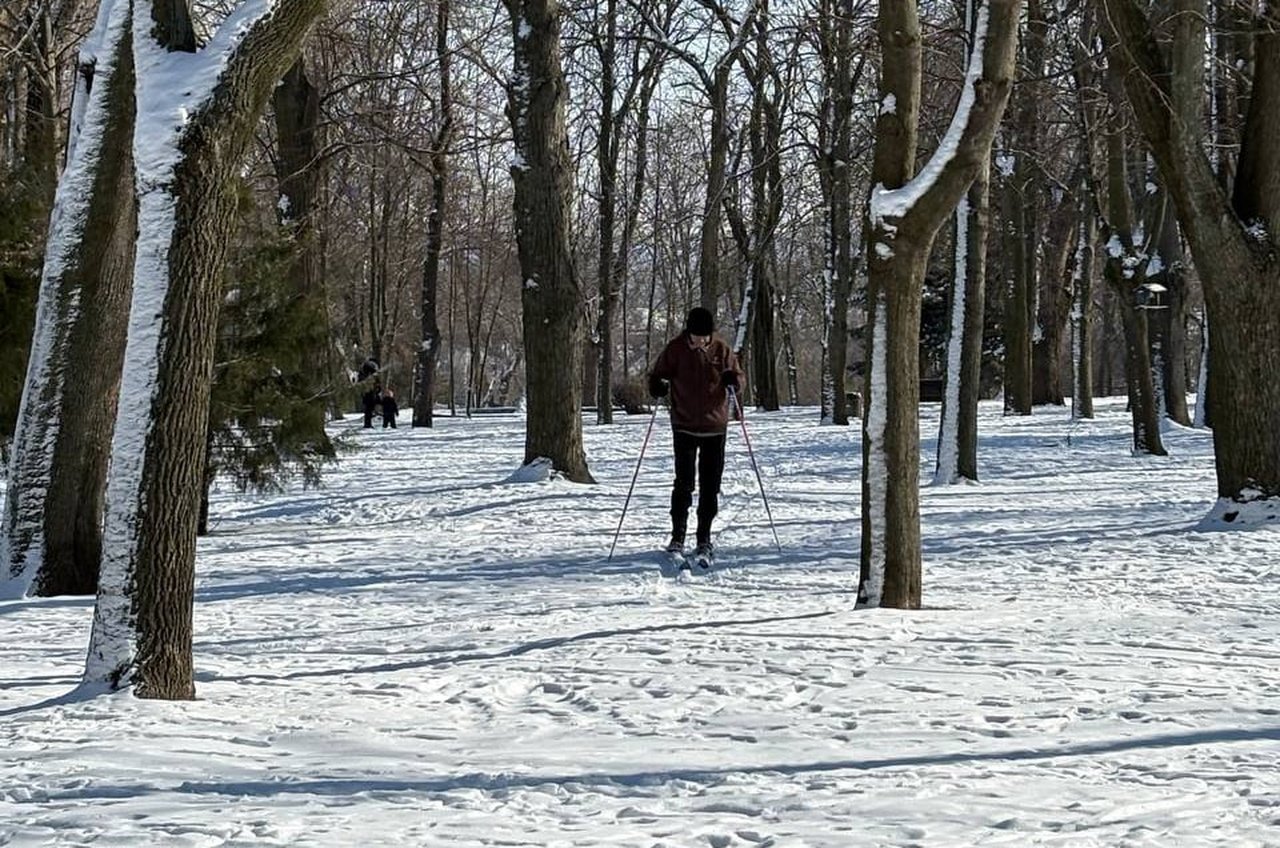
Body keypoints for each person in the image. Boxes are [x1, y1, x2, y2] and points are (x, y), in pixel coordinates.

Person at [648, 306, 745, 563]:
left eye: (705, 337)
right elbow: (657, 374)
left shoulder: (722, 349)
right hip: (684, 424)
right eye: (696, 336)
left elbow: (738, 377)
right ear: (688, 332)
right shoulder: (676, 349)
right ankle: (677, 536)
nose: (700, 341)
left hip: (715, 427)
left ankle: (704, 538)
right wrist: (657, 386)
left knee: (710, 486)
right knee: (684, 483)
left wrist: (732, 382)